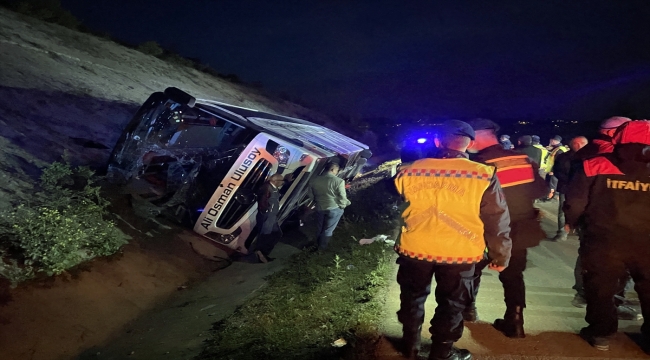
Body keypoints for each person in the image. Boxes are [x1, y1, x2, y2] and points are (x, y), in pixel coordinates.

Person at [394, 120, 512, 360]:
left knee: (412, 298)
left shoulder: (408, 170)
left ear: (437, 141)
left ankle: (410, 346)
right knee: (452, 305)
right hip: (460, 253)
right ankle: (441, 353)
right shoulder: (483, 174)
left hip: (415, 249)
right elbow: (496, 218)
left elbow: (398, 200)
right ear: (470, 144)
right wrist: (500, 254)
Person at [563, 120, 650, 351]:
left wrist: (574, 223)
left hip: (604, 239)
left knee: (600, 287)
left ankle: (601, 334)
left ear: (618, 138)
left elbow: (575, 202)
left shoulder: (595, 164)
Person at [464, 119, 547, 339]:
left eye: (472, 135)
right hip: (519, 228)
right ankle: (516, 321)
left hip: (484, 228)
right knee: (513, 275)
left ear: (481, 135)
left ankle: (468, 310)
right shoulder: (522, 159)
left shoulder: (478, 165)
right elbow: (540, 190)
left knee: (471, 271)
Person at [548, 136, 588, 241]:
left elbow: (557, 172)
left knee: (564, 210)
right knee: (567, 210)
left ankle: (564, 233)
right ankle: (568, 232)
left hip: (569, 188)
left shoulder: (563, 157)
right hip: (576, 189)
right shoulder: (587, 157)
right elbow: (557, 171)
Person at [307, 162, 351, 250]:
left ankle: (316, 244)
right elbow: (342, 197)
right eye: (337, 170)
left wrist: (317, 202)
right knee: (328, 230)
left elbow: (310, 195)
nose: (337, 172)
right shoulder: (339, 181)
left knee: (320, 228)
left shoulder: (314, 179)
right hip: (334, 208)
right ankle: (321, 249)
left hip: (320, 207)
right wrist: (343, 205)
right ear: (332, 169)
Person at [254, 173, 285, 263]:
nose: (282, 183)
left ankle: (263, 252)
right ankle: (260, 253)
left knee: (277, 234)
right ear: (275, 181)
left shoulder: (273, 188)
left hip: (272, 217)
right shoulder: (266, 188)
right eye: (281, 181)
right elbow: (262, 202)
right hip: (267, 216)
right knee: (265, 235)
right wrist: (266, 212)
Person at [544, 135, 569, 200]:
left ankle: (549, 197)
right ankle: (550, 196)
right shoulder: (557, 148)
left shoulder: (559, 150)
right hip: (555, 170)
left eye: (551, 140)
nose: (550, 141)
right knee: (552, 184)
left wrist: (553, 170)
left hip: (554, 171)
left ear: (555, 141)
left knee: (552, 185)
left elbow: (558, 161)